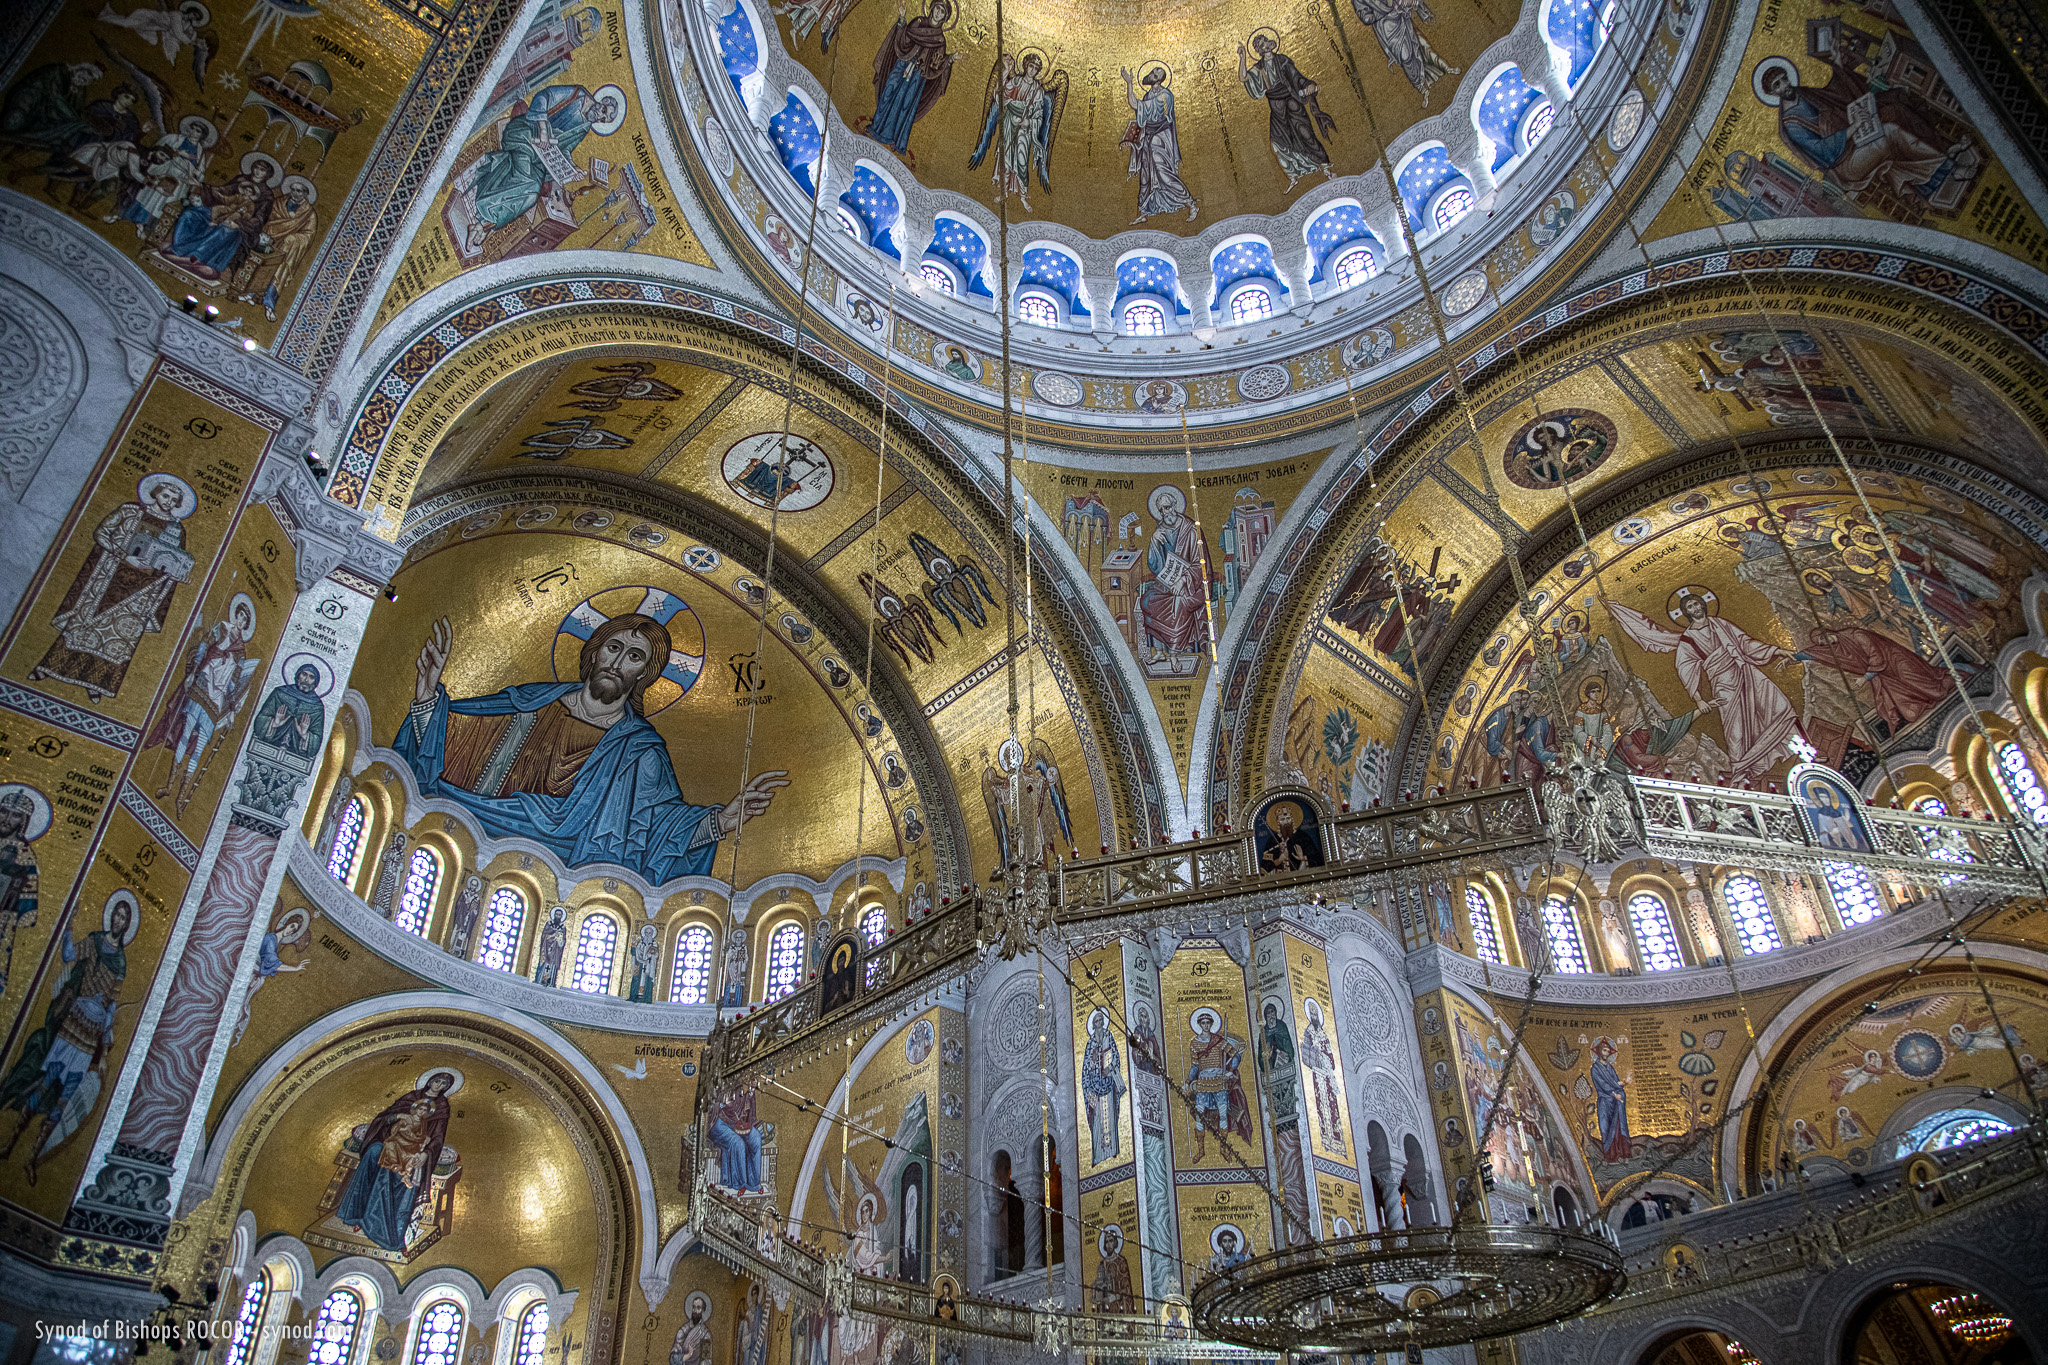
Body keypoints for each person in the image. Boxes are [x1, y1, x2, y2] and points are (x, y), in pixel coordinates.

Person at [395, 613, 787, 883]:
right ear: (595, 651)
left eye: (634, 657)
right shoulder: (529, 703)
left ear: (644, 674)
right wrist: (428, 696)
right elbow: (450, 747)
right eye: (613, 647)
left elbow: (661, 825)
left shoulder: (640, 751)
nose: (618, 662)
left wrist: (721, 821)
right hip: (477, 838)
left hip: (572, 873)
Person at [31, 474, 195, 702]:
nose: (169, 502)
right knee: (82, 627)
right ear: (156, 493)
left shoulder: (176, 529)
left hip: (142, 593)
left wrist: (178, 576)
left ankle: (97, 684)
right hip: (107, 578)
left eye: (174, 500)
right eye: (166, 496)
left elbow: (176, 562)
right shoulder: (130, 511)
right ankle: (48, 669)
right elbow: (101, 533)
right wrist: (124, 555)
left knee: (118, 640)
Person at [0, 898, 130, 1184]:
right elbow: (69, 954)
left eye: (123, 918)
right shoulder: (94, 941)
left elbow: (112, 1003)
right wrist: (69, 924)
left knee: (64, 1098)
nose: (118, 921)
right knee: (44, 1084)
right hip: (73, 1024)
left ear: (126, 924)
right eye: (116, 915)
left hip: (89, 1035)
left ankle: (32, 1158)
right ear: (112, 917)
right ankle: (10, 1144)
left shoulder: (120, 961)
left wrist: (105, 1041)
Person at [1611, 593, 1802, 777]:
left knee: (1775, 705)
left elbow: (1745, 642)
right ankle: (1743, 768)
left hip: (1745, 672)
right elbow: (1686, 669)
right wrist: (1699, 700)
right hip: (1722, 683)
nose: (1695, 608)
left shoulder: (1720, 624)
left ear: (1703, 604)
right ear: (1686, 612)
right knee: (1735, 730)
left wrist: (1777, 651)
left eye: (1696, 603)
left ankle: (1796, 747)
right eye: (1690, 606)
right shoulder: (1688, 639)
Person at [462, 85, 622, 255]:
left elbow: (566, 148)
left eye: (603, 120)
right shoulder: (576, 94)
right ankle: (482, 221)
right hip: (527, 135)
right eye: (603, 111)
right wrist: (543, 129)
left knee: (531, 194)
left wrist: (573, 168)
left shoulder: (585, 127)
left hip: (541, 159)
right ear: (603, 100)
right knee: (524, 178)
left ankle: (485, 224)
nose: (599, 117)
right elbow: (542, 97)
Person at [146, 597, 260, 812]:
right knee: (185, 734)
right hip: (203, 682)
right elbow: (202, 647)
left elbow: (235, 681)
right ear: (235, 614)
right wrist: (193, 672)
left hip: (217, 698)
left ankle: (181, 797)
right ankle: (169, 785)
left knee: (199, 748)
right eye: (240, 615)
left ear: (246, 625)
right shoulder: (221, 629)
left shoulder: (241, 651)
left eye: (245, 620)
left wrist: (232, 709)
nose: (241, 621)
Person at [335, 1072, 456, 1252]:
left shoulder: (441, 1107)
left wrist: (426, 1153)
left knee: (399, 1170)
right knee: (374, 1152)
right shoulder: (411, 1097)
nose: (439, 1085)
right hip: (393, 1142)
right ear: (430, 1081)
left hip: (415, 1149)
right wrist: (398, 1116)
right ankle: (358, 1214)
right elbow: (383, 1118)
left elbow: (437, 1137)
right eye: (437, 1081)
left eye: (443, 1084)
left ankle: (390, 1232)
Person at [1238, 33, 1334, 187]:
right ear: (1259, 50)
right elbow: (1244, 78)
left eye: (1266, 41)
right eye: (1262, 45)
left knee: (1306, 134)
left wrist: (1308, 85)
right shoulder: (1259, 68)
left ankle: (1324, 165)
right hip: (1277, 109)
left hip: (1292, 102)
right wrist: (1242, 57)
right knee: (1278, 142)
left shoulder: (1282, 60)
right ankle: (1294, 174)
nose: (1266, 45)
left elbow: (1297, 77)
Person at [864, 0, 955, 160]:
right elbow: (904, 39)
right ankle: (876, 127)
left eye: (942, 12)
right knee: (888, 91)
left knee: (905, 104)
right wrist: (902, 19)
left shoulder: (940, 40)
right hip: (902, 64)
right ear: (932, 8)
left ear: (944, 17)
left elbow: (936, 65)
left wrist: (950, 59)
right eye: (937, 9)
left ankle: (895, 139)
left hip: (917, 76)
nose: (938, 13)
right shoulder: (918, 22)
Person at [969, 52, 1058, 209]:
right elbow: (1000, 96)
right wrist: (1005, 71)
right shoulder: (1016, 81)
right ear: (1025, 66)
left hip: (1024, 129)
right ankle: (1003, 193)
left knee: (1022, 161)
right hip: (1009, 123)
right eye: (1031, 66)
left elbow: (1039, 116)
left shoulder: (1038, 91)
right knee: (1005, 158)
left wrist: (1027, 122)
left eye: (1036, 68)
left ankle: (1023, 196)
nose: (1032, 70)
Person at [1119, 66, 1197, 223]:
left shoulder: (1165, 95)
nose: (1152, 75)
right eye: (1153, 72)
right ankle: (1143, 211)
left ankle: (1191, 203)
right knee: (1145, 175)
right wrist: (1129, 83)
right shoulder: (1148, 95)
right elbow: (1140, 110)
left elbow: (1136, 105)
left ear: (1160, 80)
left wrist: (1129, 83)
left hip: (1160, 137)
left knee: (1163, 172)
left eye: (1156, 74)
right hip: (1148, 137)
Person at [1140, 493, 1206, 662]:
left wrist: (1182, 580)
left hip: (1192, 584)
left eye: (1168, 507)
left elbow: (1200, 564)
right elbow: (1155, 566)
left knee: (1178, 603)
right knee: (1147, 600)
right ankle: (1160, 652)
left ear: (1175, 506)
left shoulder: (1191, 530)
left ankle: (1175, 653)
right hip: (1168, 581)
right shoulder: (1160, 530)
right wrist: (1154, 542)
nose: (1165, 512)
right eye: (1162, 510)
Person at [1348, 0, 1458, 104]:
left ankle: (1445, 67)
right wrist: (1382, 10)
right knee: (1406, 57)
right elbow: (1366, 18)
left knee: (1421, 44)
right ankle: (1422, 87)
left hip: (1399, 17)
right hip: (1387, 29)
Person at [0, 791, 42, 997]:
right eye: (4, 811)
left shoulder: (25, 856)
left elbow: (28, 910)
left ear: (23, 821)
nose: (7, 819)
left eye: (15, 815)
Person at [1082, 1009, 1127, 1163]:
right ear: (1093, 1025)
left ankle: (1112, 1150)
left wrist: (1110, 1068)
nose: (1100, 1024)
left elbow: (1116, 1056)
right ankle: (1099, 1154)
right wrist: (1093, 1060)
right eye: (1097, 1022)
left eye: (1101, 1020)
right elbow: (1086, 1067)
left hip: (1108, 1083)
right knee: (1097, 1117)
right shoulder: (1090, 1043)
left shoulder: (1108, 1036)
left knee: (1110, 1115)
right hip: (1094, 1086)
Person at [254, 663, 327, 758]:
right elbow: (261, 719)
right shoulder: (280, 693)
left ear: (315, 682)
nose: (306, 680)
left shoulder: (317, 706)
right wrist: (274, 723)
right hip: (265, 747)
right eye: (304, 674)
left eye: (311, 677)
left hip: (295, 757)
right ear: (298, 675)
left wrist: (305, 735)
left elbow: (317, 738)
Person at [709, 1082, 762, 1192]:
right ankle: (739, 1184)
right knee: (738, 1143)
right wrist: (722, 1104)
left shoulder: (744, 1086)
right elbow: (711, 1104)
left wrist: (750, 1093)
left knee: (756, 1137)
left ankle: (754, 1184)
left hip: (736, 1122)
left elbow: (748, 1110)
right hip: (718, 1123)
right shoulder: (721, 1080)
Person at [1588, 1037, 1630, 1162]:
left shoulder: (1610, 1068)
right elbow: (1603, 1085)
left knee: (1618, 1126)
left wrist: (1624, 1083)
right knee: (1606, 1128)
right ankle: (1610, 1156)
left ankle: (1621, 1153)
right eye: (1604, 1050)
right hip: (1605, 1102)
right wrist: (1614, 1094)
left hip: (1615, 1103)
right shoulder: (1595, 1068)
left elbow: (1615, 1082)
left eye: (1608, 1051)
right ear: (1599, 1052)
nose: (1607, 1053)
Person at [533, 905, 569, 986]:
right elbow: (544, 935)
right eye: (556, 914)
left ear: (561, 916)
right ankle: (539, 980)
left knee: (552, 967)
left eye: (559, 915)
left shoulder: (563, 927)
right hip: (546, 950)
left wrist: (559, 941)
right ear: (554, 915)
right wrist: (552, 935)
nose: (558, 916)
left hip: (555, 953)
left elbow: (563, 941)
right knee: (543, 965)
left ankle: (550, 983)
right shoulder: (549, 924)